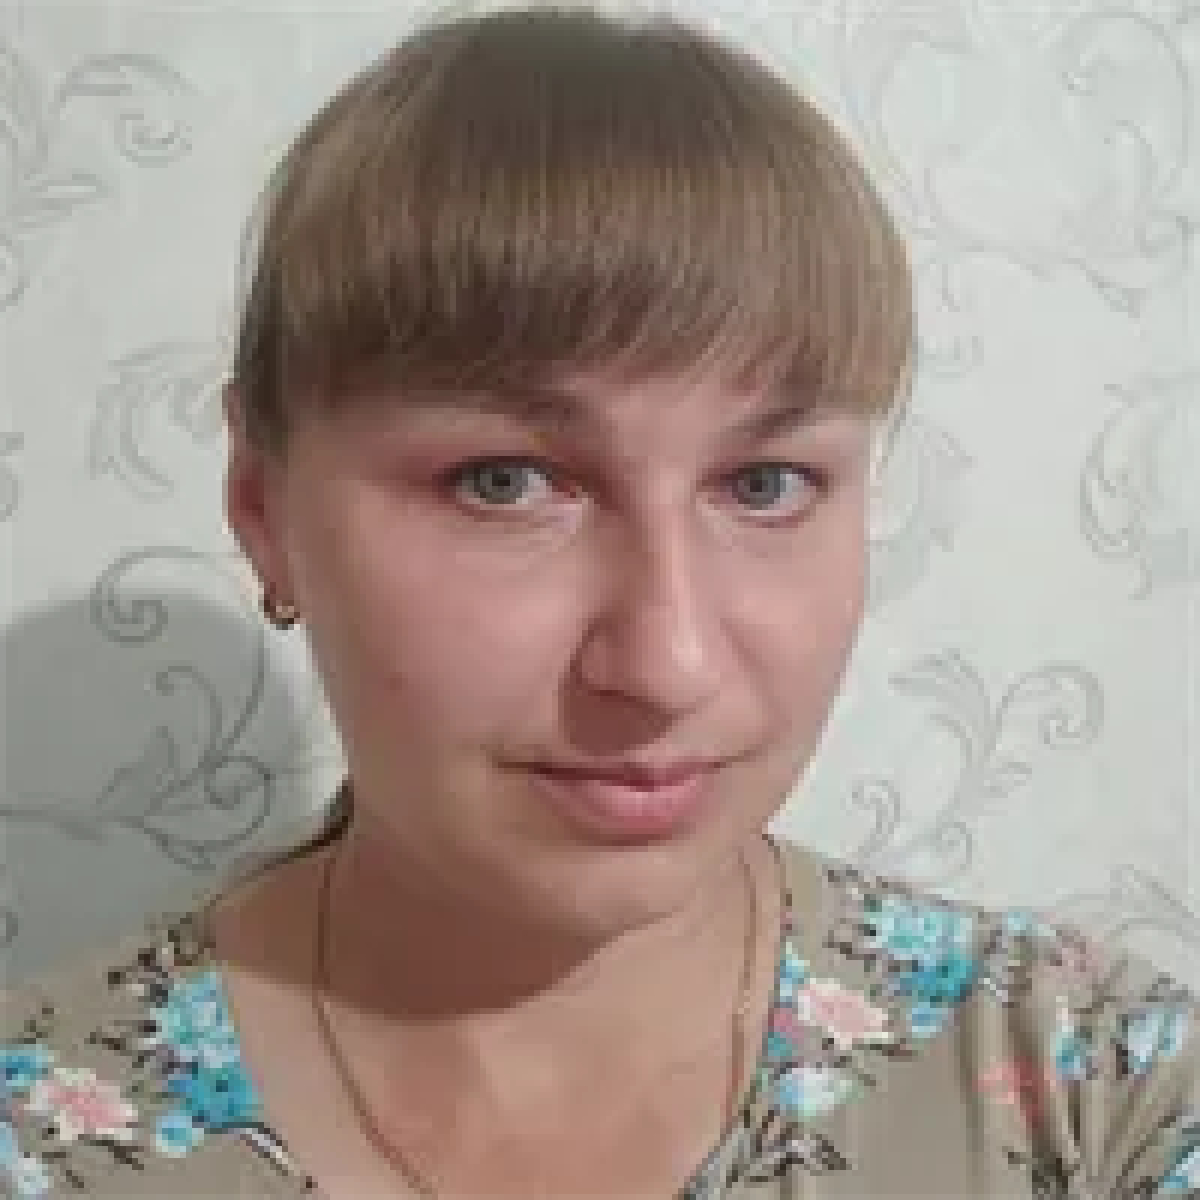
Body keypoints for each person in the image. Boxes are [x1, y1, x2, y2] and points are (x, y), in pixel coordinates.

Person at [2, 4, 1197, 1197]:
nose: (669, 663)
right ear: (263, 507)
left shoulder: (1095, 1092)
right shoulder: (47, 1135)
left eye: (765, 484)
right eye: (504, 482)